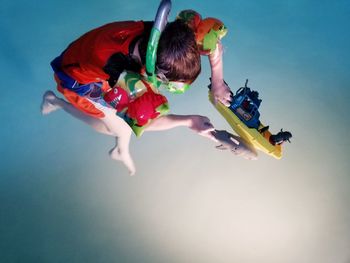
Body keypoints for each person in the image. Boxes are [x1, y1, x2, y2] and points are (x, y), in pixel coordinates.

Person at [41, 8, 232, 175]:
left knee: (122, 125)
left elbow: (211, 40)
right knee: (117, 128)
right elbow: (146, 122)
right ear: (155, 73)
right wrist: (189, 121)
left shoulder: (175, 33)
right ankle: (55, 101)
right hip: (79, 80)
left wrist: (217, 81)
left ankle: (120, 150)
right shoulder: (120, 73)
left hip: (86, 51)